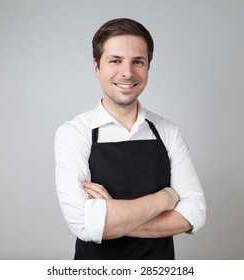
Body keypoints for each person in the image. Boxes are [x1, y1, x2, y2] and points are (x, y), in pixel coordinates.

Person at [54, 18, 206, 260]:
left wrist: (109, 218)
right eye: (115, 60)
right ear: (97, 67)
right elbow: (83, 223)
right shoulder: (74, 133)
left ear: (148, 67)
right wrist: (165, 198)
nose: (127, 72)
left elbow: (194, 214)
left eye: (138, 62)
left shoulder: (168, 131)